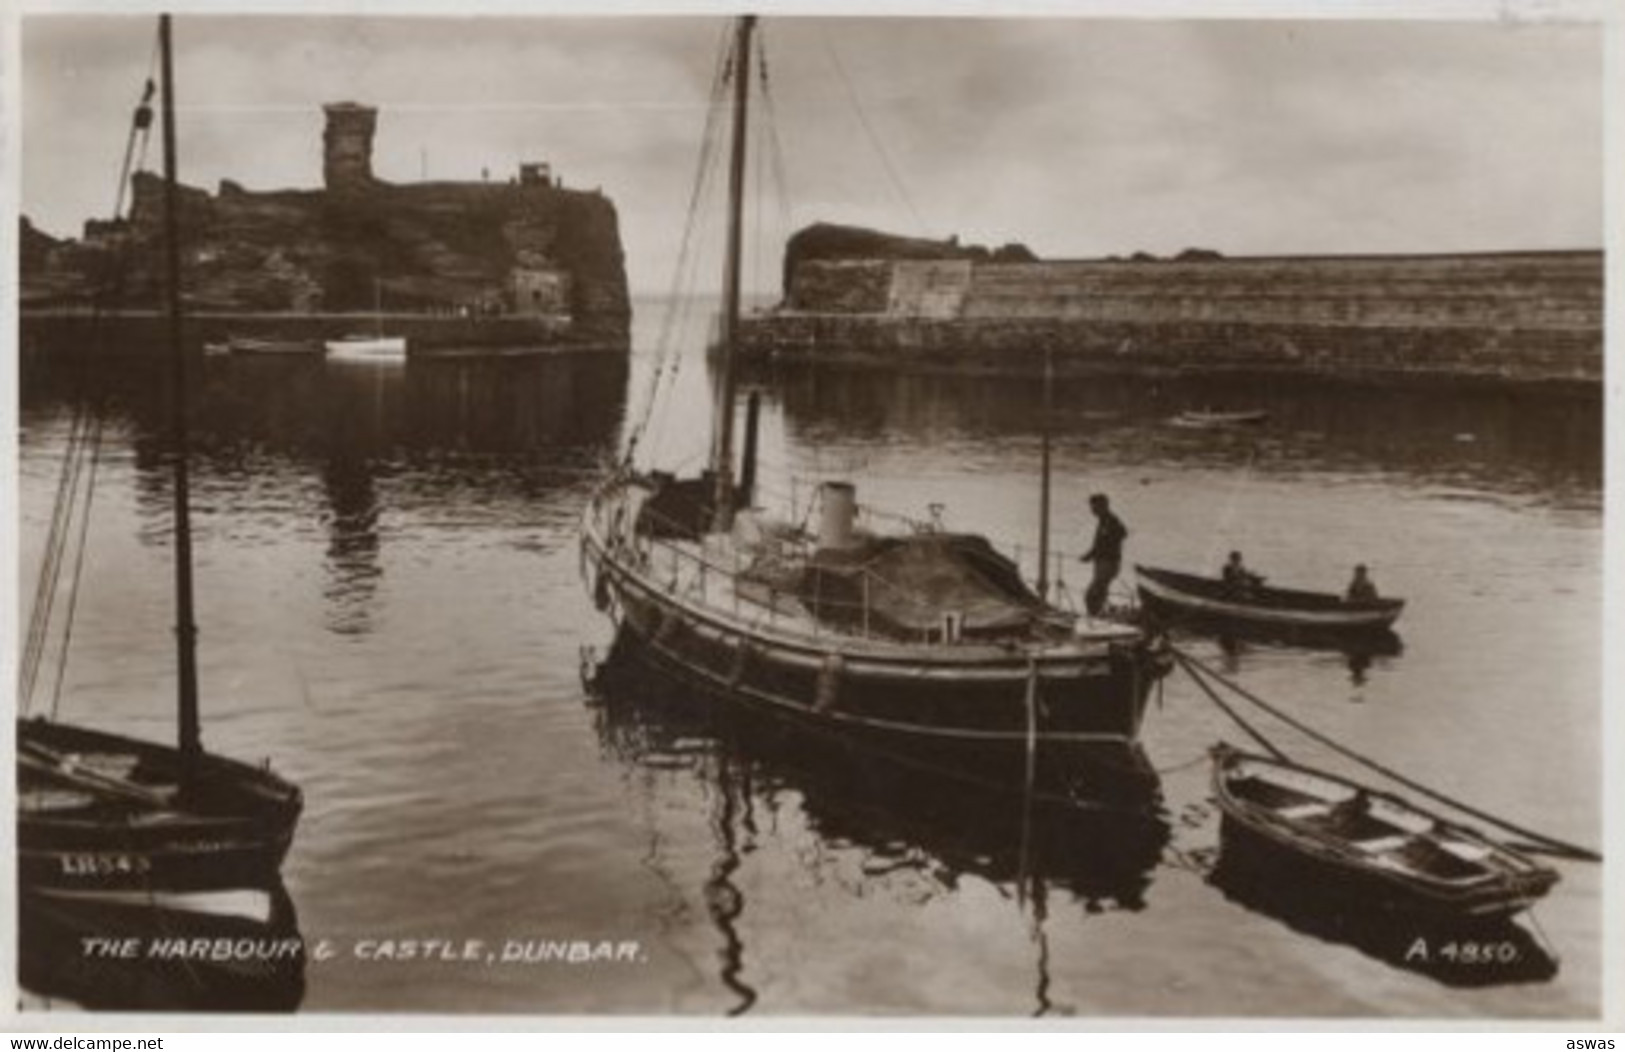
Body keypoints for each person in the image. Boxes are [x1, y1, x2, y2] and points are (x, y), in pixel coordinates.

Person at [1079, 493, 1127, 617]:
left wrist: (1092, 554)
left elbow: (1121, 534)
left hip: (1108, 563)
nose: (1092, 510)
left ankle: (1094, 619)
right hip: (1103, 562)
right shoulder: (1104, 521)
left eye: (1094, 507)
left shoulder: (1111, 521)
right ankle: (1098, 616)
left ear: (1103, 506)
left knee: (1091, 595)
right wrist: (1090, 555)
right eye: (1092, 507)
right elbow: (1101, 543)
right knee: (1099, 593)